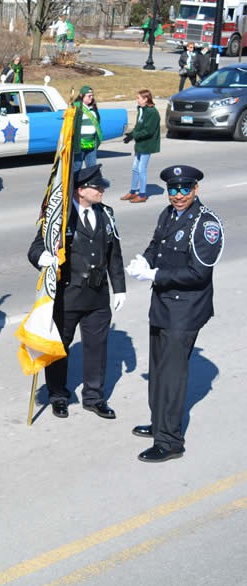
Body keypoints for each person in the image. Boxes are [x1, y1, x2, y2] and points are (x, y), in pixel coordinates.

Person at [125, 165, 223, 462]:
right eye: (172, 190)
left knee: (171, 375)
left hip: (185, 309)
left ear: (196, 189)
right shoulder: (168, 214)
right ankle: (160, 424)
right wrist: (144, 260)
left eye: (184, 189)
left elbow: (198, 272)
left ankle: (170, 441)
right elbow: (157, 245)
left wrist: (155, 275)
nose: (177, 195)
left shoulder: (206, 223)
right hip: (164, 305)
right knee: (157, 370)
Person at [27, 164, 126, 419]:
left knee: (97, 348)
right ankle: (58, 394)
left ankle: (94, 397)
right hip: (68, 295)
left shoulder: (106, 213)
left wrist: (119, 289)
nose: (102, 189)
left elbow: (114, 253)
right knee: (59, 348)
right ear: (81, 190)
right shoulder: (59, 217)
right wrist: (44, 258)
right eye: (97, 186)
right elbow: (35, 249)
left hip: (97, 296)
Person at [121, 89, 161, 204]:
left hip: (147, 144)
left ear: (146, 99)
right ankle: (133, 191)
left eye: (139, 98)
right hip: (140, 144)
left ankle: (142, 194)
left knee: (141, 169)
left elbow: (148, 131)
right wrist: (131, 135)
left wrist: (136, 135)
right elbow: (139, 126)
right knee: (135, 168)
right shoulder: (141, 110)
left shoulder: (152, 113)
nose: (137, 100)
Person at [73, 86, 102, 172]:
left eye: (92, 95)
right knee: (76, 169)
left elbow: (97, 125)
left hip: (91, 144)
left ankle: (90, 184)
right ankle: (75, 185)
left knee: (91, 170)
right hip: (79, 144)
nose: (91, 97)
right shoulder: (76, 108)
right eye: (89, 96)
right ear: (82, 96)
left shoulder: (93, 109)